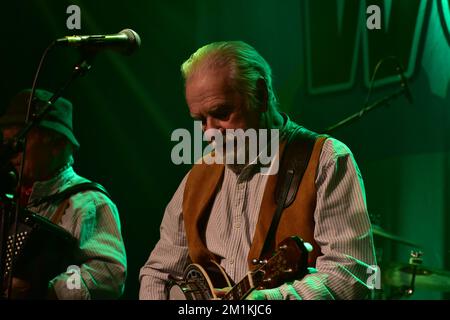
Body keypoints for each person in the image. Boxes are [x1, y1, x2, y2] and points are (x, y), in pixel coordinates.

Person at [139, 41, 376, 300]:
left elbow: (350, 279)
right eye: (200, 120)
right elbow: (158, 273)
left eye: (221, 113)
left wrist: (264, 301)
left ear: (260, 94)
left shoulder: (327, 160)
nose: (209, 133)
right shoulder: (197, 176)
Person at [0, 89, 127, 299]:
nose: (13, 151)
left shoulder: (88, 202)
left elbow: (108, 274)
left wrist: (47, 289)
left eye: (21, 142)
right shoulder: (9, 196)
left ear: (57, 145)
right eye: (8, 143)